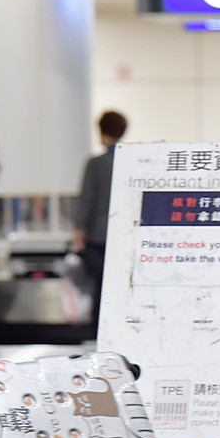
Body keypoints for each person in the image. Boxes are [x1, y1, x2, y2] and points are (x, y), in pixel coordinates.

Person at [73, 110, 128, 335]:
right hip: (122, 235)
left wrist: (79, 230)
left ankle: (97, 329)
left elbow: (86, 199)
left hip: (97, 234)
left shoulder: (96, 163)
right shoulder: (128, 161)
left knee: (99, 284)